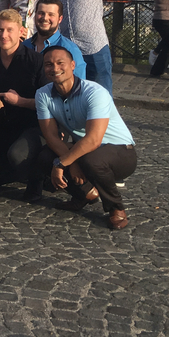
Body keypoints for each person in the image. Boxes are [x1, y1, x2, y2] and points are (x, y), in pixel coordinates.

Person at [35, 45, 137, 230]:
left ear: (73, 65)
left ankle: (116, 208)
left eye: (60, 63)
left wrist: (62, 163)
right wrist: (70, 162)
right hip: (84, 150)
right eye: (49, 64)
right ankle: (83, 195)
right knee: (44, 156)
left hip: (121, 151)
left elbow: (93, 140)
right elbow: (51, 137)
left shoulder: (95, 92)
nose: (55, 68)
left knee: (90, 159)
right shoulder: (42, 94)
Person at [0, 9, 47, 199]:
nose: (4, 35)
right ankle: (18, 171)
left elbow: (48, 103)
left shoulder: (36, 61)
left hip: (35, 125)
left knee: (17, 155)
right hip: (6, 124)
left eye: (10, 30)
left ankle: (39, 178)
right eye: (0, 30)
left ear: (21, 32)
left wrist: (20, 101)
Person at [21, 0, 86, 79]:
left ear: (60, 19)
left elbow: (79, 83)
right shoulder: (24, 46)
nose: (45, 18)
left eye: (51, 14)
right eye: (41, 13)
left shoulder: (70, 49)